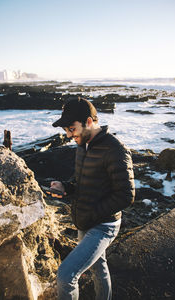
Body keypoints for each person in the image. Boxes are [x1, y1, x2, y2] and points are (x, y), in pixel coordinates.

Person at [51, 97, 135, 300]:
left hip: (104, 224)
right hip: (85, 220)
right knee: (99, 268)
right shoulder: (83, 145)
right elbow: (82, 181)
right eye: (66, 131)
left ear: (89, 122)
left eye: (72, 129)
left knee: (66, 275)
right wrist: (66, 187)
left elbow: (126, 195)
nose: (70, 135)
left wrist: (92, 214)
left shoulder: (116, 150)